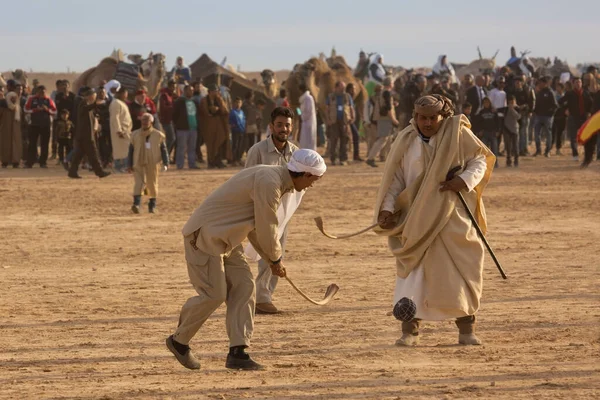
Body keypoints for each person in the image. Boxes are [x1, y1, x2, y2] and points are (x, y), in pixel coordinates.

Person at [166, 148, 326, 371]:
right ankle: (178, 341)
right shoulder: (270, 182)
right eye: (313, 181)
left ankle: (238, 352)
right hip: (204, 237)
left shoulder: (277, 181)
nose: (311, 186)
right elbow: (267, 228)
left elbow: (256, 228)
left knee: (244, 287)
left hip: (228, 241)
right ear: (306, 174)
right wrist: (276, 259)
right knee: (214, 295)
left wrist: (272, 261)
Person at [373, 95, 494, 347]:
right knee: (415, 275)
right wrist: (386, 209)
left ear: (443, 116)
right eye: (422, 118)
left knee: (462, 271)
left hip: (452, 214)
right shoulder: (406, 140)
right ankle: (409, 331)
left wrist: (463, 181)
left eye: (432, 118)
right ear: (415, 117)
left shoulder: (458, 134)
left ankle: (466, 329)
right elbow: (395, 179)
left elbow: (479, 160)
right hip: (416, 219)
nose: (427, 123)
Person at [244, 107, 300, 314]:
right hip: (260, 210)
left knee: (277, 254)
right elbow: (246, 180)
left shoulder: (295, 153)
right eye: (279, 125)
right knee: (266, 253)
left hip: (284, 212)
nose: (283, 129)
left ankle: (264, 296)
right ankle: (260, 297)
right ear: (271, 126)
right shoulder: (257, 151)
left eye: (287, 125)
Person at [127, 113, 169, 213]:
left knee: (152, 183)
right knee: (138, 183)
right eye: (143, 120)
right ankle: (136, 205)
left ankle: (152, 206)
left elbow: (164, 150)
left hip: (153, 163)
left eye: (147, 120)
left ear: (151, 122)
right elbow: (131, 150)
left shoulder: (158, 135)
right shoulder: (135, 134)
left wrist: (166, 163)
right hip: (138, 162)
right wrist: (129, 164)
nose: (145, 122)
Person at [67, 87, 111, 179]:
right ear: (90, 96)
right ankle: (100, 172)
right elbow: (86, 108)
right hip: (86, 135)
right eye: (94, 96)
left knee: (78, 155)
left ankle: (72, 171)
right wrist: (95, 104)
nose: (95, 98)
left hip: (83, 135)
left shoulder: (86, 104)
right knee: (93, 154)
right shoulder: (83, 103)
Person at [366, 78, 399, 167]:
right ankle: (370, 158)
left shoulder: (383, 93)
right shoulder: (387, 93)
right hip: (386, 119)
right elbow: (388, 108)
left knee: (388, 138)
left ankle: (391, 159)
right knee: (383, 139)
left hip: (383, 119)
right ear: (390, 84)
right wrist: (393, 120)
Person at [560, 77, 593, 163]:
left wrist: (589, 112)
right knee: (573, 137)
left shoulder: (586, 93)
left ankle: (587, 154)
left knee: (586, 136)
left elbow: (591, 104)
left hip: (584, 117)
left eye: (579, 82)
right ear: (573, 84)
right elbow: (560, 102)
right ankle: (575, 154)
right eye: (576, 82)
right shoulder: (569, 94)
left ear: (581, 83)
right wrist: (565, 110)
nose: (578, 84)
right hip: (573, 117)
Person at [24, 85, 56, 168]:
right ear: (37, 91)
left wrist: (47, 109)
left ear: (45, 91)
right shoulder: (32, 99)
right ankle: (29, 162)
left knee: (44, 144)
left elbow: (55, 111)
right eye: (40, 91)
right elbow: (26, 109)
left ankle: (43, 162)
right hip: (34, 125)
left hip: (45, 125)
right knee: (32, 144)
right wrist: (35, 110)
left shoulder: (49, 100)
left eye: (43, 91)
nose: (41, 93)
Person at [199, 84, 230, 169]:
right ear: (209, 92)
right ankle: (211, 162)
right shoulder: (204, 100)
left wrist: (218, 109)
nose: (216, 93)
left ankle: (218, 161)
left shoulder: (219, 100)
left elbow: (225, 111)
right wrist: (211, 110)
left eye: (217, 91)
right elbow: (204, 113)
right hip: (209, 125)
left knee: (219, 142)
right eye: (214, 91)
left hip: (219, 124)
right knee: (210, 145)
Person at [325, 81, 354, 166]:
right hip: (334, 122)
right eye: (341, 86)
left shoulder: (347, 96)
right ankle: (333, 159)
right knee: (333, 140)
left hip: (344, 122)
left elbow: (351, 107)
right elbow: (327, 109)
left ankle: (343, 159)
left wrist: (352, 117)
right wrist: (328, 120)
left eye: (343, 87)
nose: (343, 88)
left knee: (344, 140)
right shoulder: (331, 97)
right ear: (337, 87)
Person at [173, 85, 200, 170]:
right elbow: (174, 115)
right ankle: (180, 165)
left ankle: (192, 164)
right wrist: (178, 125)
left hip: (193, 128)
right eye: (189, 90)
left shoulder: (194, 102)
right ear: (185, 91)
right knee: (181, 147)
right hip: (182, 129)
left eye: (192, 90)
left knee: (192, 148)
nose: (191, 92)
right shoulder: (179, 102)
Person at [507, 75, 535, 156]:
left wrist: (530, 110)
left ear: (522, 83)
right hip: (514, 115)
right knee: (514, 132)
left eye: (519, 82)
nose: (517, 83)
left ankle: (524, 149)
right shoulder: (512, 92)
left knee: (524, 133)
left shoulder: (527, 90)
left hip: (524, 114)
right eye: (516, 82)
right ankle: (515, 150)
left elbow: (531, 102)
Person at [533, 77, 558, 157]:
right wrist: (535, 112)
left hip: (548, 117)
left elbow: (555, 106)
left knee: (548, 134)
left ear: (545, 83)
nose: (539, 84)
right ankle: (538, 150)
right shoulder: (539, 92)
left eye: (540, 83)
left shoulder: (550, 92)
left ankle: (547, 151)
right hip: (539, 116)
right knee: (537, 134)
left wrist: (551, 114)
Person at [109, 87, 133, 172]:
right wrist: (118, 130)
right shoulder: (115, 103)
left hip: (125, 130)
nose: (126, 95)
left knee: (124, 150)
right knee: (120, 150)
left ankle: (123, 167)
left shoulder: (120, 102)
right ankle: (119, 167)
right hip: (120, 131)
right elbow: (115, 118)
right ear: (121, 93)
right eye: (125, 93)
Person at [52, 80, 76, 160]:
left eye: (66, 85)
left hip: (70, 121)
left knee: (70, 142)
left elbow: (74, 108)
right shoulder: (58, 96)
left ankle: (69, 158)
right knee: (60, 141)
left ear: (69, 86)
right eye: (63, 85)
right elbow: (56, 108)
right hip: (60, 121)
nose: (64, 87)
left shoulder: (73, 96)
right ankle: (60, 158)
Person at [0, 90, 22, 168]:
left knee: (16, 145)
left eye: (14, 98)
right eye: (11, 98)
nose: (13, 100)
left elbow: (21, 119)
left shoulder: (18, 108)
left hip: (16, 130)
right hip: (5, 129)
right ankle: (5, 161)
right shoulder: (3, 107)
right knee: (5, 145)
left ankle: (15, 162)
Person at [476, 97, 499, 167]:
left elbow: (498, 122)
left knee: (494, 149)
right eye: (485, 102)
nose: (486, 104)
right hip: (484, 133)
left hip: (493, 132)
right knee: (484, 150)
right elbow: (478, 122)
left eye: (488, 102)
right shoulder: (481, 112)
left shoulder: (494, 112)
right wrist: (479, 131)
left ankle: (495, 163)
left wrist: (498, 131)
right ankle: (484, 164)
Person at [158, 79, 178, 156]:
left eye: (175, 87)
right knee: (172, 138)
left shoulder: (172, 95)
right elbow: (163, 108)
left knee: (171, 139)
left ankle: (166, 155)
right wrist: (173, 106)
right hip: (166, 120)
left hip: (172, 120)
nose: (174, 88)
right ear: (170, 86)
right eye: (173, 87)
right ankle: (164, 155)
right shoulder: (164, 95)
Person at [95, 86, 112, 167]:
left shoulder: (109, 102)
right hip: (99, 126)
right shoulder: (94, 103)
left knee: (110, 143)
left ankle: (109, 160)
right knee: (101, 143)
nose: (102, 93)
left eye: (103, 92)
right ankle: (103, 160)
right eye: (100, 92)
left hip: (109, 125)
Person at [346, 83, 362, 160]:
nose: (354, 91)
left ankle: (356, 155)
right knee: (355, 136)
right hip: (348, 120)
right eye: (353, 89)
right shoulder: (347, 96)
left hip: (349, 120)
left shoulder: (350, 97)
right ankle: (355, 156)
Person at [298, 83, 317, 151]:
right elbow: (300, 111)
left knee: (310, 141)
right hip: (304, 123)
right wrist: (298, 112)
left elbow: (309, 111)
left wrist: (302, 117)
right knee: (304, 141)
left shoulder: (309, 98)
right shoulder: (302, 99)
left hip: (309, 122)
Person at [503, 95, 520, 167]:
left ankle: (516, 160)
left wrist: (512, 109)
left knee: (515, 146)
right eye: (509, 102)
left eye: (512, 102)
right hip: (506, 129)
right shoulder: (505, 109)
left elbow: (518, 117)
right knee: (508, 146)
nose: (511, 103)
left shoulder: (517, 108)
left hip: (515, 129)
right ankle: (508, 160)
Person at [229, 97, 246, 165]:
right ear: (234, 103)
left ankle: (238, 159)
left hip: (242, 131)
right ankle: (233, 160)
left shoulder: (242, 112)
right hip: (235, 131)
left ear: (241, 103)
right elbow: (230, 121)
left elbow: (244, 120)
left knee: (240, 146)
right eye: (237, 102)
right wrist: (233, 126)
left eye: (239, 102)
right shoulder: (232, 112)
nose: (238, 104)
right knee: (235, 145)